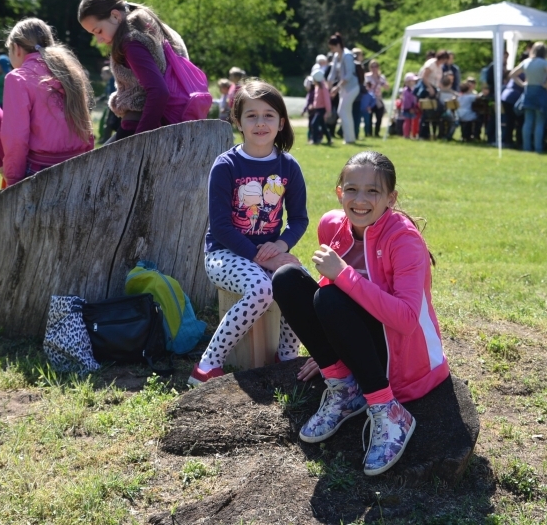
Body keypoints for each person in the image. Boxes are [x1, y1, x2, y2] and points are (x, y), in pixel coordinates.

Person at [271, 151, 448, 476]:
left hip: (402, 355)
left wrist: (344, 275)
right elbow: (330, 291)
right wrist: (329, 353)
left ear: (390, 198)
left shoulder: (404, 239)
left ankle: (388, 410)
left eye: (373, 191)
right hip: (360, 342)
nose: (360, 200)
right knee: (286, 279)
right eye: (351, 189)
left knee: (331, 295)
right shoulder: (332, 225)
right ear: (340, 191)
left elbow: (407, 319)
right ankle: (345, 388)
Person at [189, 79, 308, 386]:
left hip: (268, 252)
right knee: (262, 289)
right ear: (237, 121)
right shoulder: (226, 165)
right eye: (251, 115)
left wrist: (280, 247)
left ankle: (286, 358)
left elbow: (298, 220)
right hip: (224, 254)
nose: (260, 122)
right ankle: (207, 366)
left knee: (299, 282)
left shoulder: (288, 167)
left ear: (281, 122)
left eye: (268, 115)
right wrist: (258, 256)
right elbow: (221, 227)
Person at [0, 17, 94, 188]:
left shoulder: (18, 77)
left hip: (40, 168)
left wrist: (12, 182)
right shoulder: (71, 72)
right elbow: (86, 125)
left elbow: (15, 136)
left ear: (16, 48)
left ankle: (5, 176)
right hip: (79, 164)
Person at [78, 0, 189, 140]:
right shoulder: (151, 27)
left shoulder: (131, 42)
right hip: (166, 122)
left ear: (115, 16)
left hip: (141, 125)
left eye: (98, 31)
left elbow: (159, 92)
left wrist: (140, 140)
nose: (99, 40)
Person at [507, 42, 547, 154]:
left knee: (527, 121)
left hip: (528, 91)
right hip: (540, 90)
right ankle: (538, 148)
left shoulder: (526, 62)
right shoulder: (544, 63)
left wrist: (522, 84)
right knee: (539, 121)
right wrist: (546, 84)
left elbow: (512, 74)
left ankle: (526, 147)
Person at [327, 33, 358, 144]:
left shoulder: (348, 55)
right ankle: (350, 138)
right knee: (344, 112)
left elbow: (348, 76)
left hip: (352, 87)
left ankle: (349, 139)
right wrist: (329, 85)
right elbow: (333, 72)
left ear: (338, 45)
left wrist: (336, 88)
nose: (332, 50)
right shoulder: (336, 56)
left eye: (333, 47)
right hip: (344, 88)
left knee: (343, 111)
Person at [364, 60, 389, 137]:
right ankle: (369, 133)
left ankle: (377, 132)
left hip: (378, 99)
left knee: (379, 116)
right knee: (369, 116)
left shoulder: (381, 77)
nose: (374, 68)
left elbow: (387, 87)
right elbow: (365, 87)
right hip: (369, 99)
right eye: (372, 66)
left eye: (375, 66)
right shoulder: (367, 76)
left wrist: (381, 82)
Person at [309, 70, 333, 145]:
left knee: (314, 123)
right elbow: (317, 98)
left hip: (322, 109)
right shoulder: (317, 87)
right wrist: (313, 105)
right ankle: (329, 139)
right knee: (323, 126)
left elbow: (327, 100)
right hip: (317, 109)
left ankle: (315, 140)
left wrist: (328, 111)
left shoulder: (323, 88)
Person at [401, 73, 419, 139]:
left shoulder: (412, 89)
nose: (414, 82)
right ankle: (406, 134)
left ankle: (412, 134)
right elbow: (406, 101)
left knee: (412, 122)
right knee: (407, 122)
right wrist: (410, 108)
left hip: (412, 108)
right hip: (408, 108)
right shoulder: (406, 90)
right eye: (412, 81)